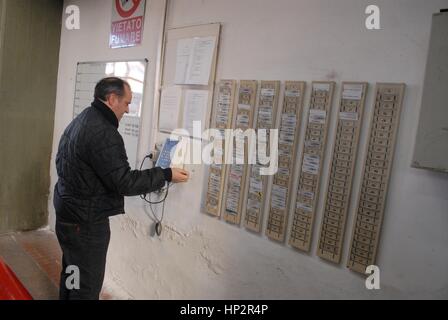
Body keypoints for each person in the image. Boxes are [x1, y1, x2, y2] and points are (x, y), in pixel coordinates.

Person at [53, 77, 189, 300]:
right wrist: (165, 174)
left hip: (68, 210)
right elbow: (124, 182)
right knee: (86, 285)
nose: (128, 109)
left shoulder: (84, 119)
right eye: (126, 103)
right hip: (84, 222)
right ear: (112, 99)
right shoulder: (104, 132)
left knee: (72, 270)